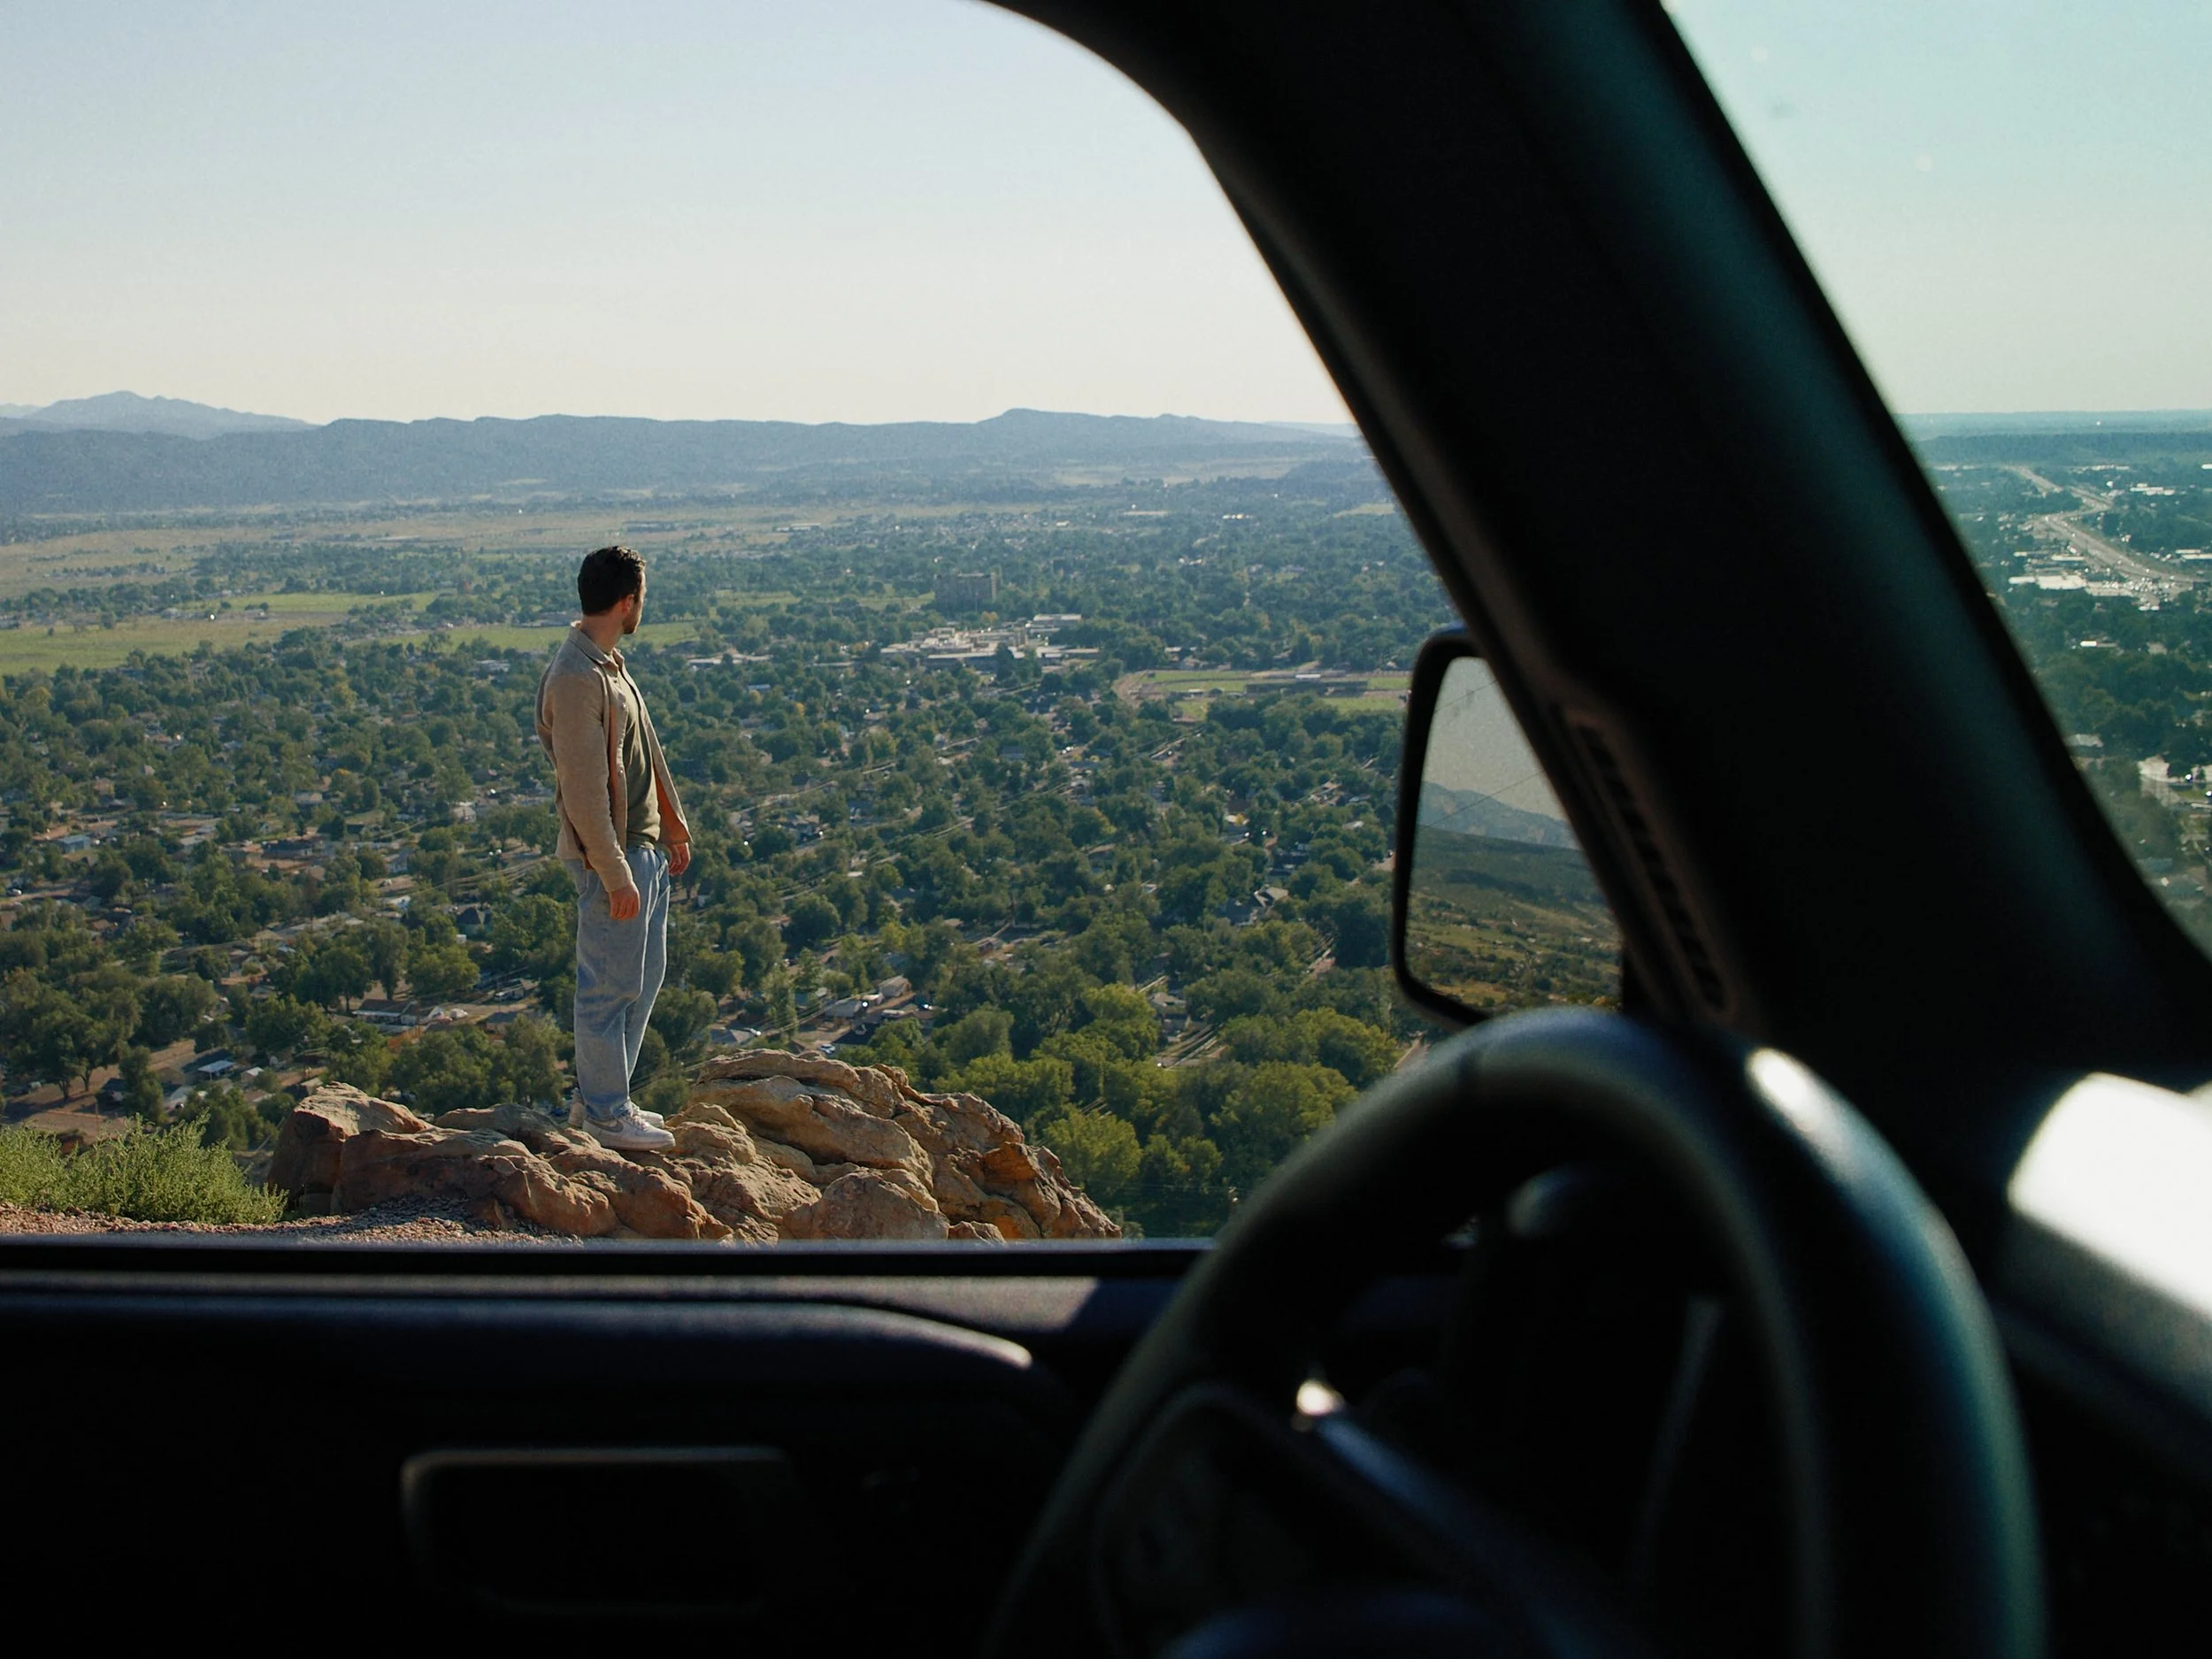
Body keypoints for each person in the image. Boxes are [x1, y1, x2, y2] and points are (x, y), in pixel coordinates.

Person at [535, 545, 691, 1150]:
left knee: (642, 979)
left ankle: (604, 1098)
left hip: (641, 848)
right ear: (627, 601)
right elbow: (583, 790)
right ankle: (604, 1112)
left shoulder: (607, 664)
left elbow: (644, 754)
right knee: (607, 986)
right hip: (614, 858)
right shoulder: (576, 678)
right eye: (640, 600)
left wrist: (670, 826)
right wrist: (615, 871)